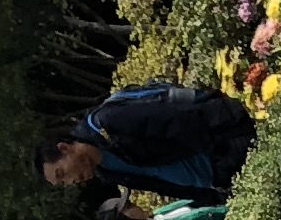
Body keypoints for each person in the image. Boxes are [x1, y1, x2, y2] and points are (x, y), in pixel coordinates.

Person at [38, 81, 260, 202]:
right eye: (63, 183)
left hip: (229, 142)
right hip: (222, 178)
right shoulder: (107, 172)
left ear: (64, 148)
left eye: (62, 174)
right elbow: (162, 184)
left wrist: (222, 154)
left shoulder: (106, 122)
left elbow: (177, 119)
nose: (70, 181)